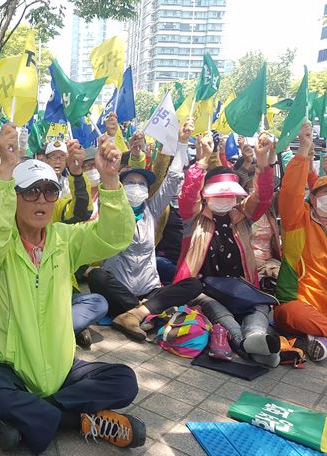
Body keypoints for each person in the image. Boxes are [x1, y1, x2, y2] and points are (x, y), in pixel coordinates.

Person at [0, 123, 144, 455]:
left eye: (49, 191)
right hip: (8, 365)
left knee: (124, 380)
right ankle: (80, 421)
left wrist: (110, 181)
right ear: (14, 198)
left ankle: (26, 417)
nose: (42, 199)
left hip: (61, 366)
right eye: (30, 191)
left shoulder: (66, 238)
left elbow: (114, 237)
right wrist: (5, 171)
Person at [88, 119, 202, 340]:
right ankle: (144, 311)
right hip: (119, 289)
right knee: (96, 276)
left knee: (194, 284)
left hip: (149, 289)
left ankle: (136, 313)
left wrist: (182, 143)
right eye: (131, 182)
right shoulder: (111, 208)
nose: (137, 187)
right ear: (121, 186)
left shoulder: (152, 209)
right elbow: (107, 180)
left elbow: (173, 180)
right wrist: (111, 139)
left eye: (142, 184)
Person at [175, 131, 280, 367]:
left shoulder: (242, 216)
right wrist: (202, 161)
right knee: (217, 309)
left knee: (261, 304)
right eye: (219, 195)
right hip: (202, 288)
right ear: (206, 195)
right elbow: (188, 196)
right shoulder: (194, 218)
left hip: (239, 286)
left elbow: (263, 197)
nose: (224, 199)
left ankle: (254, 337)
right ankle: (245, 343)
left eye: (229, 195)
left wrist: (262, 163)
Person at [274, 122, 327, 361]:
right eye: (324, 195)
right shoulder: (299, 221)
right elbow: (290, 193)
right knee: (292, 312)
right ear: (313, 199)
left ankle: (318, 337)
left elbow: (316, 180)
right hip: (299, 305)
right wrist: (303, 150)